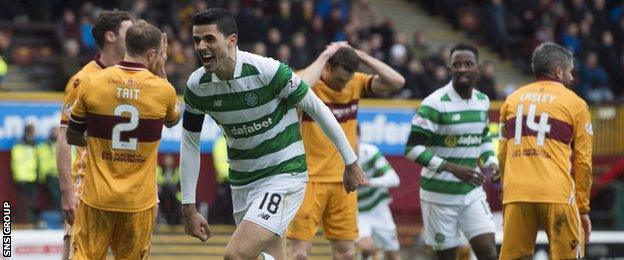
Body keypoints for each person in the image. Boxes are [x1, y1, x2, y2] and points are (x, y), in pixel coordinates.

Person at [178, 8, 365, 260]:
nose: (201, 46)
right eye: (197, 40)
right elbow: (190, 142)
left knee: (236, 255)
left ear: (231, 40)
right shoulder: (196, 86)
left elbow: (317, 108)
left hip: (283, 175)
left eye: (209, 39)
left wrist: (350, 161)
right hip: (242, 182)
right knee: (271, 256)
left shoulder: (268, 71)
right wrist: (188, 206)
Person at [66, 20, 179, 259]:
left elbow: (73, 134)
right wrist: (162, 69)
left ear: (126, 44)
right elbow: (172, 121)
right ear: (151, 55)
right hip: (138, 203)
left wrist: (99, 142)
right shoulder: (163, 90)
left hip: (96, 198)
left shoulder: (92, 82)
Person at [287, 42, 405, 260]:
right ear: (327, 68)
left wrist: (360, 55)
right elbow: (295, 89)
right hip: (307, 180)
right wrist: (325, 54)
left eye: (347, 80)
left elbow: (397, 81)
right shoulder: (310, 83)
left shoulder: (356, 82)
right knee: (299, 254)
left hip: (343, 183)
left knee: (348, 253)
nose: (343, 86)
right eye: (339, 79)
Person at [498, 42, 593, 259]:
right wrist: (583, 208)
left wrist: (508, 190)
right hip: (556, 195)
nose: (571, 78)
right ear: (559, 71)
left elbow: (502, 153)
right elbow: (583, 161)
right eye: (569, 72)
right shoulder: (576, 104)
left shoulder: (512, 100)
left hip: (517, 194)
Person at [404, 43, 498, 260]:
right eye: (457, 64)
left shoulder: (483, 101)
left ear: (478, 68)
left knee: (489, 253)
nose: (463, 68)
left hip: (471, 192)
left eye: (468, 64)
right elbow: (411, 149)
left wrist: (491, 161)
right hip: (438, 197)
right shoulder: (434, 103)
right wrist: (452, 168)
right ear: (450, 69)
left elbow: (483, 134)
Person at [55, 10, 133, 260]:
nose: (134, 36)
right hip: (87, 183)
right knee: (74, 254)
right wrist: (67, 193)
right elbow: (64, 137)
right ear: (110, 36)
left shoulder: (137, 76)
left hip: (126, 185)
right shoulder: (82, 80)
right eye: (127, 31)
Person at [356, 139, 401, 260]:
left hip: (378, 209)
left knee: (393, 254)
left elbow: (394, 180)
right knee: (365, 247)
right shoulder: (337, 156)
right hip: (357, 212)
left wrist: (369, 182)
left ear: (358, 137)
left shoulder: (370, 152)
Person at [11, 124, 38, 224]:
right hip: (22, 177)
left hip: (32, 177)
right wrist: (18, 176)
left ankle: (29, 220)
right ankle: (21, 221)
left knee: (31, 201)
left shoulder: (34, 144)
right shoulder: (20, 144)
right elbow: (17, 162)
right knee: (22, 201)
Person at [210, 135, 234, 224]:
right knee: (222, 202)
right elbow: (220, 160)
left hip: (234, 177)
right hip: (227, 179)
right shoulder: (221, 142)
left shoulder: (233, 140)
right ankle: (215, 222)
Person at [36, 127, 60, 213]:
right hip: (52, 175)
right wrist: (43, 175)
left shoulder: (65, 144)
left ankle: (62, 216)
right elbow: (43, 161)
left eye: (57, 132)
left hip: (65, 174)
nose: (55, 134)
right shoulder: (45, 145)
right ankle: (59, 215)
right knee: (55, 196)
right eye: (54, 132)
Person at [157, 153, 181, 225]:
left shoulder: (177, 170)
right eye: (166, 160)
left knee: (172, 192)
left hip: (175, 194)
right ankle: (162, 218)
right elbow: (159, 182)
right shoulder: (159, 169)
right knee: (167, 188)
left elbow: (178, 185)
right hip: (162, 193)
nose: (168, 162)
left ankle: (175, 218)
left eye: (170, 160)